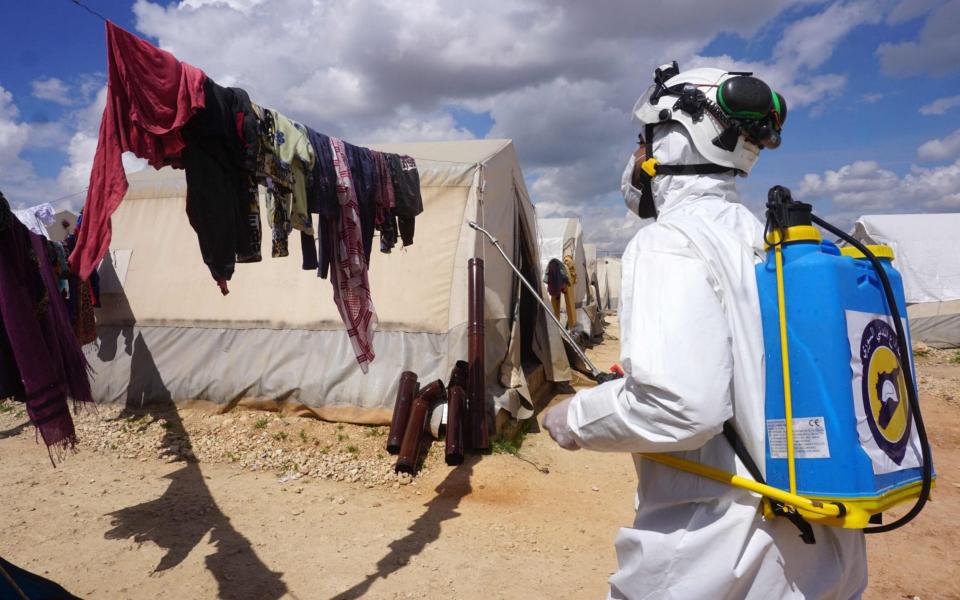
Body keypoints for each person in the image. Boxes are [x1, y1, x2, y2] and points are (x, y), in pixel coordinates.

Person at [543, 63, 868, 598]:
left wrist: (575, 417)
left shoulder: (671, 241)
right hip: (826, 559)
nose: (636, 157)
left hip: (720, 561)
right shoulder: (778, 244)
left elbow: (681, 407)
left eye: (643, 140)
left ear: (673, 137)